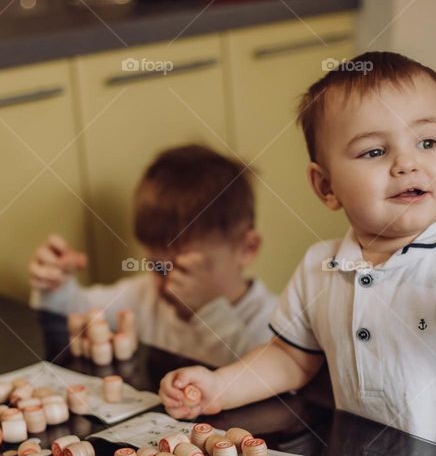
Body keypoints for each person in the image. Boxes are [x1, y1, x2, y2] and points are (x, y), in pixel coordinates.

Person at [159, 52, 436, 456]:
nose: (407, 163)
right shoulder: (318, 268)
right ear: (326, 186)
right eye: (374, 152)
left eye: (427, 143)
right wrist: (219, 386)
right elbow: (290, 358)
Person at [29, 144, 276, 367]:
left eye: (185, 271)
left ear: (247, 249)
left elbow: (260, 378)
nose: (170, 285)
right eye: (159, 267)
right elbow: (75, 312)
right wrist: (55, 284)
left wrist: (207, 311)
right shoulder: (146, 297)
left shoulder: (275, 321)